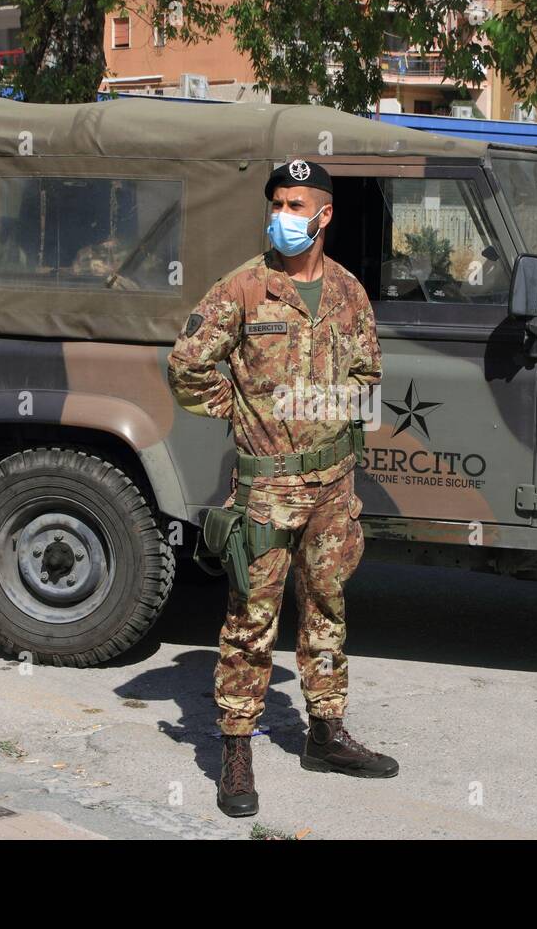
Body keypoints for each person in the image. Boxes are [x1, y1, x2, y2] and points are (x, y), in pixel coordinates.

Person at [167, 158, 398, 818]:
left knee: (328, 606)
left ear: (325, 214)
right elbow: (187, 364)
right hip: (267, 489)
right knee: (250, 618)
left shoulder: (351, 292)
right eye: (277, 203)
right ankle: (235, 748)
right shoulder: (243, 288)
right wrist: (238, 410)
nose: (283, 216)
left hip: (333, 486)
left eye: (297, 205)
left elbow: (368, 375)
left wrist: (336, 416)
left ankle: (325, 732)